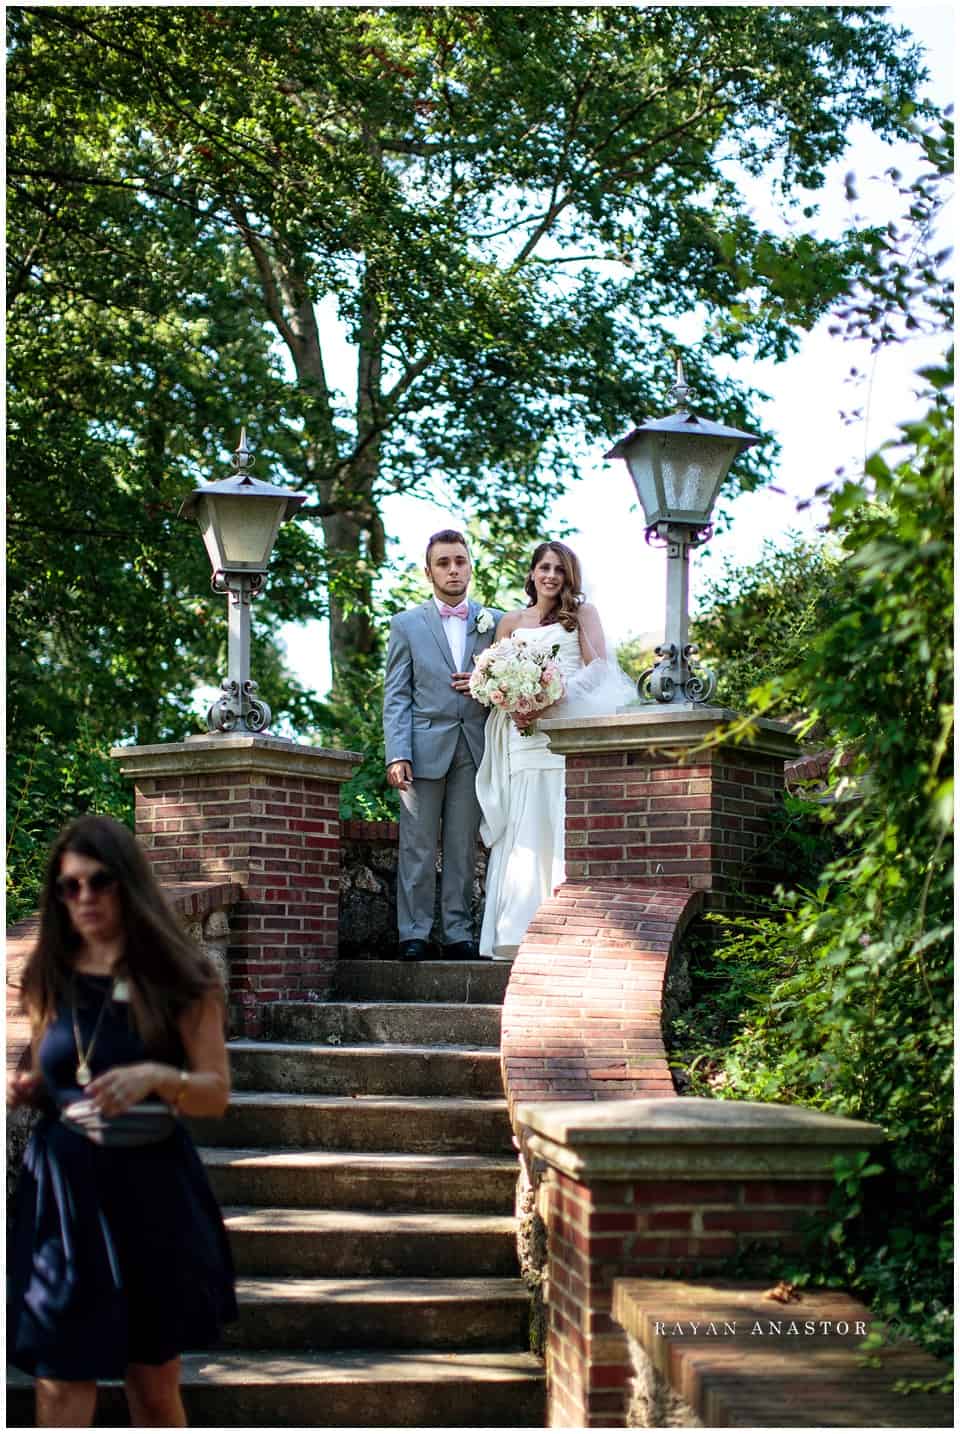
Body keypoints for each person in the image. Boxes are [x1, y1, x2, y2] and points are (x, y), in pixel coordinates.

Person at [7, 814, 237, 1428]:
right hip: (63, 1192)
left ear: (128, 884)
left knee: (153, 1381)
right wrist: (27, 1088)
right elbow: (48, 1071)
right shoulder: (45, 977)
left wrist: (161, 1079)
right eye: (68, 886)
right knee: (60, 1374)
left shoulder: (182, 979)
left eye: (98, 882)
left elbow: (215, 1094)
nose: (83, 897)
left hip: (150, 1188)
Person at [476, 540, 634, 959]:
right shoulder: (510, 622)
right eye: (543, 568)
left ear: (568, 577)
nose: (550, 576)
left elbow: (598, 667)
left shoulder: (582, 614)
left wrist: (550, 698)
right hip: (520, 733)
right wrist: (513, 702)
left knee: (557, 814)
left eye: (559, 570)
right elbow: (495, 674)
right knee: (521, 820)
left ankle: (565, 923)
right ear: (531, 573)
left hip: (562, 726)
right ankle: (515, 928)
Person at [383, 529, 501, 960]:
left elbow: (506, 683)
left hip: (473, 747)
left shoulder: (494, 621)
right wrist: (397, 752)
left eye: (460, 561)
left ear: (470, 565)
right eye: (444, 563)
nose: (453, 570)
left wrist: (483, 681)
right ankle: (412, 932)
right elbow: (396, 694)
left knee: (461, 844)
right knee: (416, 845)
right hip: (420, 749)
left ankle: (457, 932)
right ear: (429, 570)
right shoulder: (406, 625)